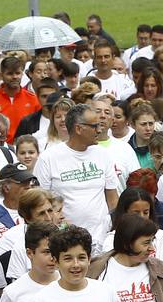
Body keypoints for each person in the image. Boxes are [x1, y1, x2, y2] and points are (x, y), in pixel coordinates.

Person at [33, 103, 120, 243]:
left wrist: (114, 230)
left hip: (102, 239)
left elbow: (113, 199)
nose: (99, 130)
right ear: (79, 128)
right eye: (94, 126)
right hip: (63, 240)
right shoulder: (48, 158)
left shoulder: (103, 154)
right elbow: (40, 202)